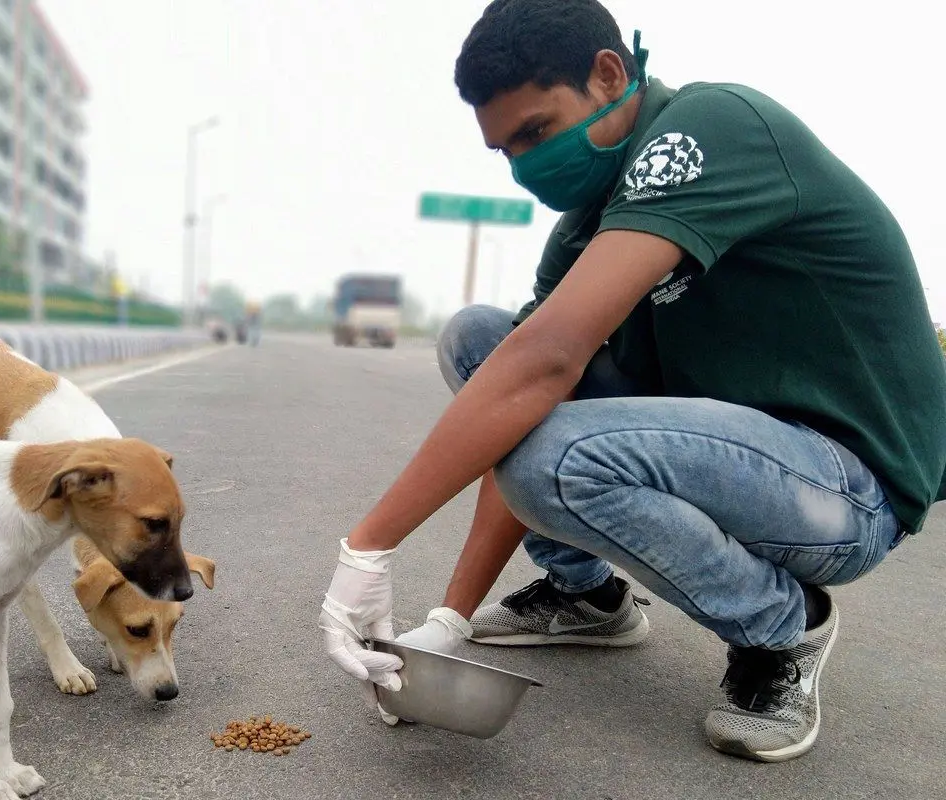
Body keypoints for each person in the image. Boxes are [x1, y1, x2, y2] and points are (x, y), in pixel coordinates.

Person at [318, 0, 946, 763]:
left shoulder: (709, 128)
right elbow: (520, 380)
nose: (524, 166)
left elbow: (547, 364)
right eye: (505, 150)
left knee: (552, 449)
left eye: (537, 131)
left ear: (609, 74)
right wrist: (447, 623)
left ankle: (784, 626)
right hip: (731, 454)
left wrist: (368, 549)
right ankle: (588, 597)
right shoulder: (589, 223)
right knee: (484, 341)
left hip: (846, 486)